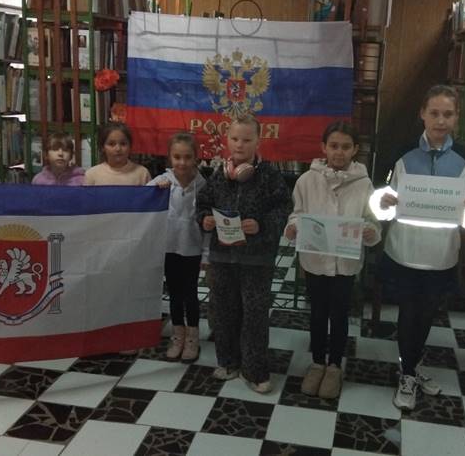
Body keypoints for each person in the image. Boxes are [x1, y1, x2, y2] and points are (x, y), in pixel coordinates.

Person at [379, 85, 465, 411]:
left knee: (427, 314)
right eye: (434, 113)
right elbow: (378, 202)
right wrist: (383, 202)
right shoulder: (401, 152)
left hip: (441, 255)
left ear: (457, 117)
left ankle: (410, 364)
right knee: (409, 312)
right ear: (422, 114)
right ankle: (408, 373)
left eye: (448, 114)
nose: (441, 121)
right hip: (404, 251)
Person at [285, 121, 381, 399]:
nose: (339, 152)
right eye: (334, 146)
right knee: (317, 313)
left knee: (339, 314)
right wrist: (293, 226)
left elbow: (372, 219)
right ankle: (317, 362)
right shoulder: (307, 180)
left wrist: (370, 231)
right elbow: (297, 213)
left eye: (346, 147)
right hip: (315, 260)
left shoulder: (364, 184)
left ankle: (335, 366)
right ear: (323, 147)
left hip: (345, 263)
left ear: (355, 149)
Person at [197, 113, 292, 394]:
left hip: (256, 259)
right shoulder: (218, 175)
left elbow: (283, 208)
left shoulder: (270, 176)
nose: (240, 145)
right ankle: (228, 362)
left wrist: (262, 225)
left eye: (247, 140)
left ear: (258, 142)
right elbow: (202, 203)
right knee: (224, 311)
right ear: (227, 140)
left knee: (254, 314)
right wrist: (204, 219)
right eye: (235, 139)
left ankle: (254, 370)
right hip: (222, 257)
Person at [148, 133, 208, 362]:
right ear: (169, 157)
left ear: (196, 157)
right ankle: (178, 335)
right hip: (169, 248)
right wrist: (155, 190)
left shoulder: (203, 186)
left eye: (187, 157)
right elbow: (142, 198)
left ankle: (192, 337)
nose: (182, 162)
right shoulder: (162, 181)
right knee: (174, 294)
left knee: (190, 294)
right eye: (177, 157)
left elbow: (208, 224)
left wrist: (207, 254)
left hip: (192, 249)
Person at [84, 122, 151, 186]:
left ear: (130, 146)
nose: (118, 149)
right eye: (111, 144)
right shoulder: (92, 175)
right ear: (102, 147)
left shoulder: (142, 173)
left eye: (123, 144)